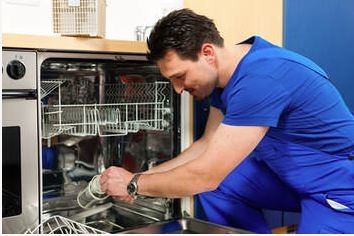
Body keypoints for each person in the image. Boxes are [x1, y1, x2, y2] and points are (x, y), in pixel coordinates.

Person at [100, 8, 354, 233]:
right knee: (222, 186)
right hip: (292, 176)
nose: (177, 89)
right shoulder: (226, 79)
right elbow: (206, 145)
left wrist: (134, 185)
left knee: (211, 180)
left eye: (180, 76)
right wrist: (141, 175)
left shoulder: (261, 77)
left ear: (207, 52)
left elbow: (206, 174)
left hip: (339, 187)